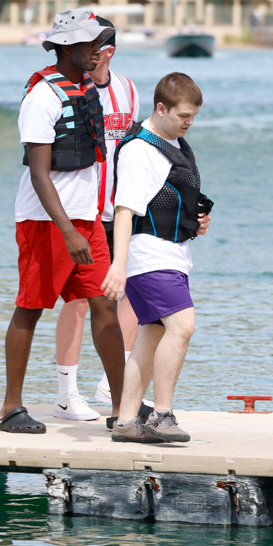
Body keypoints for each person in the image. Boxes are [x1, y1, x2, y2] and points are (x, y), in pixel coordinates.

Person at [0, 7, 127, 434]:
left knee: (105, 307)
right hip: (46, 222)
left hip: (86, 219)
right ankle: (10, 408)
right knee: (30, 308)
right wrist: (68, 231)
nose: (99, 51)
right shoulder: (42, 98)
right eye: (91, 44)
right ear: (68, 47)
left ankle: (122, 409)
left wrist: (85, 222)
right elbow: (38, 173)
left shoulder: (87, 88)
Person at [102, 72, 213, 444]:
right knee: (182, 326)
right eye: (183, 116)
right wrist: (118, 265)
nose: (189, 123)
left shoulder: (175, 142)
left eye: (194, 117)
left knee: (152, 335)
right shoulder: (139, 150)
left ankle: (126, 421)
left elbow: (169, 197)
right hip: (148, 255)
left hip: (174, 252)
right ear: (160, 108)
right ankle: (162, 415)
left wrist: (195, 221)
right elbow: (123, 210)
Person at [52, 15, 143, 422]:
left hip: (119, 211)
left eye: (101, 48)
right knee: (78, 304)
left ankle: (112, 384)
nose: (95, 55)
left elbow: (136, 150)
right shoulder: (74, 88)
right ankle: (65, 393)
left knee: (131, 295)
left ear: (110, 51)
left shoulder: (127, 89)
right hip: (84, 211)